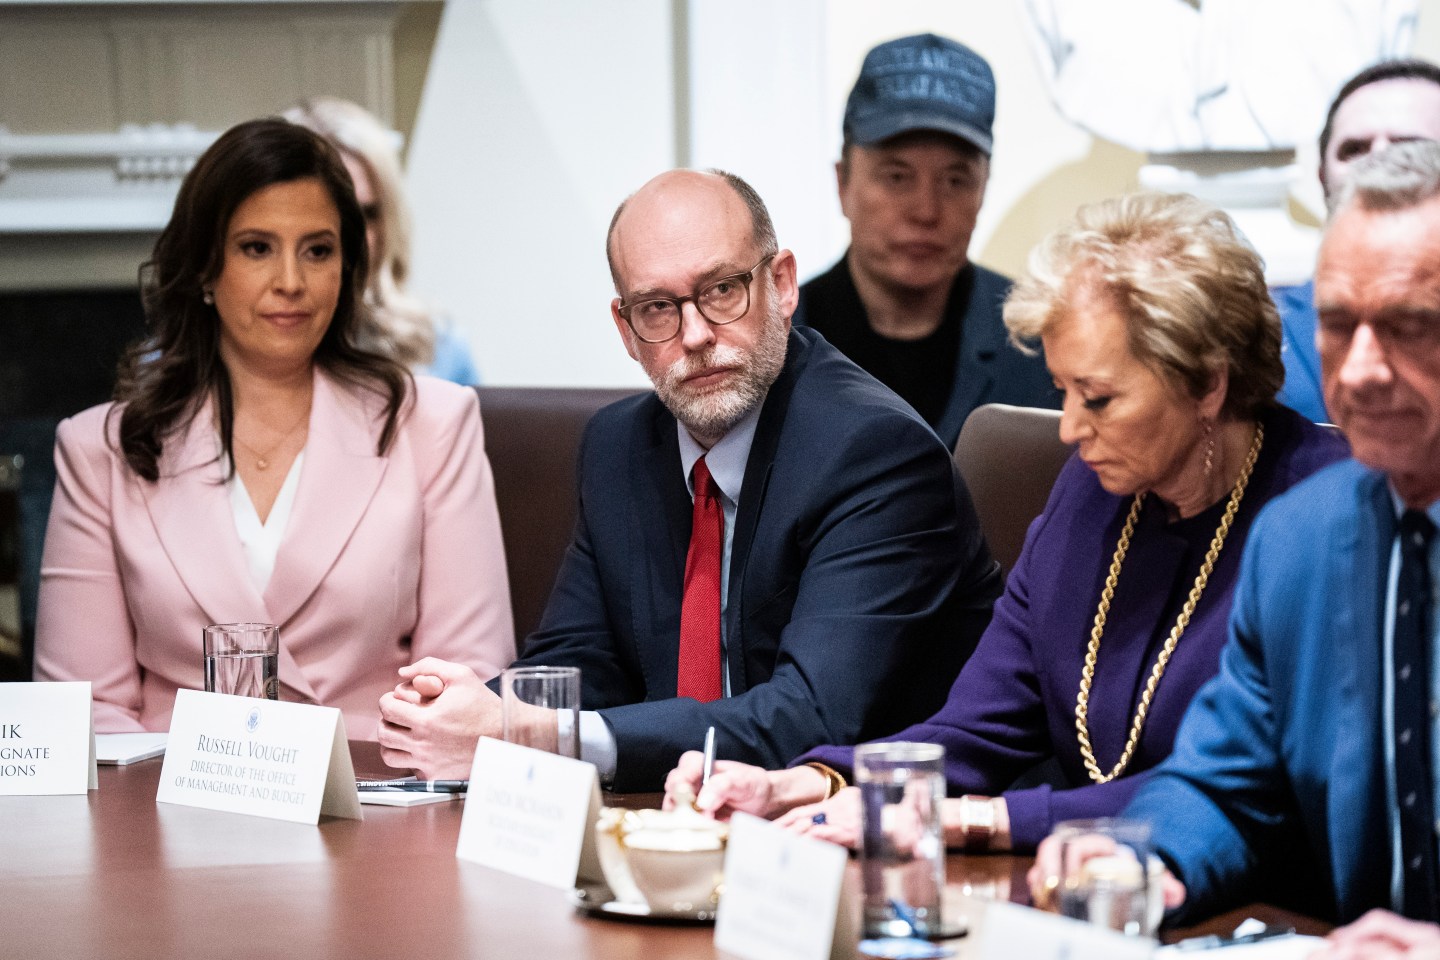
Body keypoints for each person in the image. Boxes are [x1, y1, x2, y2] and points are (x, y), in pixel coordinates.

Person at [662, 191, 1348, 852]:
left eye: (1100, 399)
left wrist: (980, 821)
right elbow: (977, 727)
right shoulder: (1094, 489)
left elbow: (1240, 790)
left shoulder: (1322, 513)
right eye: (1063, 392)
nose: (1072, 429)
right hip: (1083, 886)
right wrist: (808, 782)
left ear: (1208, 384)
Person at [376, 168, 1001, 792]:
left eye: (723, 290)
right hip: (678, 823)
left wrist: (535, 733)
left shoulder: (875, 452)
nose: (697, 335)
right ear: (627, 331)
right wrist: (467, 713)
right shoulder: (618, 446)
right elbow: (579, 662)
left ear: (781, 285)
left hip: (863, 837)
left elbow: (808, 719)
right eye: (657, 308)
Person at [1030, 142, 1440, 931]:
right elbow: (1227, 785)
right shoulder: (1302, 540)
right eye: (1337, 323)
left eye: (1408, 326)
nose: (1358, 370)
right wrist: (1145, 856)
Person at [33, 118, 515, 740]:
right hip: (171, 811)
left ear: (347, 267)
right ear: (205, 268)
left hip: (374, 804)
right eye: (257, 247)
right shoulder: (100, 449)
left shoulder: (433, 425)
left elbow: (466, 685)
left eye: (318, 250)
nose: (291, 280)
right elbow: (86, 712)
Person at [794, 33, 1058, 449]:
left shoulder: (1042, 348)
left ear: (983, 189)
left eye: (955, 180)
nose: (926, 211)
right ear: (842, 183)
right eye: (897, 177)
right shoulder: (774, 348)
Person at [1273, 58, 1440, 423]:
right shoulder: (1259, 330)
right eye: (1354, 149)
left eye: (1409, 146)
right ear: (1321, 177)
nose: (1378, 161)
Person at [284, 97, 480, 385]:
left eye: (368, 214)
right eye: (328, 213)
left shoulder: (438, 349)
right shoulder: (227, 352)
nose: (350, 236)